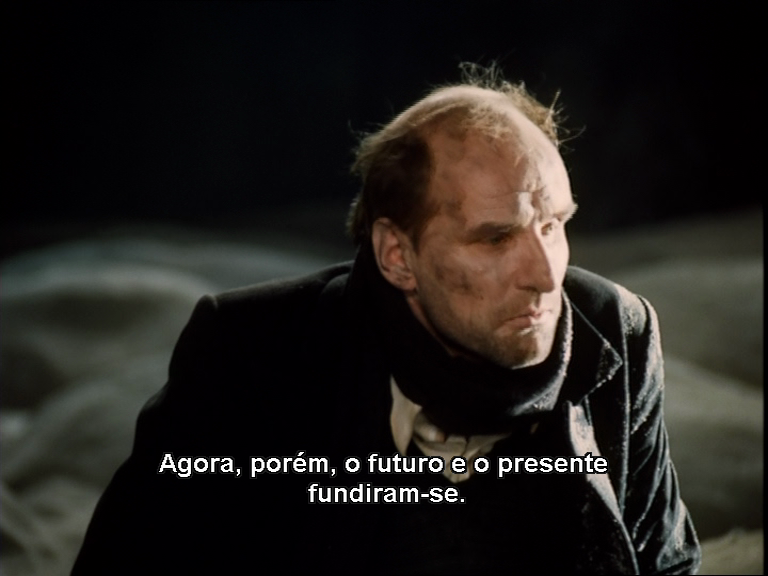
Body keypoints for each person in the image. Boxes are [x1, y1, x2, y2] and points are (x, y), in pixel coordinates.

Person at [72, 71, 701, 574]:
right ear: (397, 256)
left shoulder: (616, 331)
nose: (544, 274)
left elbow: (663, 563)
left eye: (553, 224)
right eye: (495, 238)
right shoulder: (249, 353)